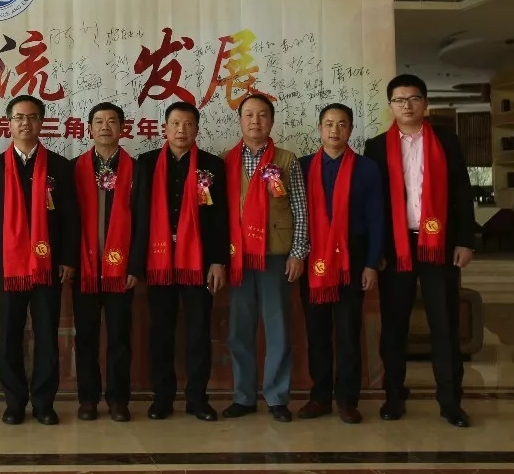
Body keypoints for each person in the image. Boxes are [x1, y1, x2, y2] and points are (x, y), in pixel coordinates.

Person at [364, 74, 475, 428]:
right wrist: (376, 251)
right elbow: (373, 205)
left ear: (425, 103)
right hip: (396, 247)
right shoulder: (375, 147)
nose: (407, 105)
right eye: (399, 100)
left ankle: (450, 402)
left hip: (439, 244)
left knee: (444, 323)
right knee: (394, 325)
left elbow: (462, 192)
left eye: (413, 98)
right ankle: (394, 395)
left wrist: (466, 240)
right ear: (390, 106)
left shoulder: (446, 141)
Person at [0, 95, 78, 426]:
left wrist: (68, 258)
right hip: (8, 267)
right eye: (19, 117)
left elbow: (70, 218)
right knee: (10, 334)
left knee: (46, 334)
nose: (25, 123)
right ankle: (14, 402)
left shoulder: (59, 166)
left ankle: (44, 403)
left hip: (49, 266)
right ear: (9, 123)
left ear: (41, 123)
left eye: (32, 117)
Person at [130, 101, 228, 421]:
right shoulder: (145, 163)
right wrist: (136, 263)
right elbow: (136, 215)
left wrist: (218, 261)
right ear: (165, 128)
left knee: (198, 333)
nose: (181, 130)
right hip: (158, 263)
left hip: (198, 263)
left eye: (188, 124)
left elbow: (220, 217)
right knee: (161, 331)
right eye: (175, 123)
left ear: (197, 128)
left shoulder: (212, 165)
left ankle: (197, 398)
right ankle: (162, 397)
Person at [222, 93, 308, 423]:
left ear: (271, 121)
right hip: (238, 259)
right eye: (249, 115)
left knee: (278, 329)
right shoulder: (225, 161)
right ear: (240, 121)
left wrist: (298, 252)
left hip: (275, 256)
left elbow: (300, 208)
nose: (255, 121)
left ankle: (276, 397)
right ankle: (243, 397)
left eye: (262, 115)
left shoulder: (286, 160)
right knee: (239, 330)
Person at [295, 104, 383, 425]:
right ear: (319, 129)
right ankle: (319, 397)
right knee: (316, 332)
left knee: (348, 333)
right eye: (329, 124)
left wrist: (371, 263)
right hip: (313, 255)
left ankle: (347, 400)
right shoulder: (303, 166)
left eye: (342, 124)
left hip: (351, 255)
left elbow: (376, 218)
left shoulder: (367, 168)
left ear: (350, 130)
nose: (335, 130)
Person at [70, 102, 138, 422]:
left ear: (122, 128)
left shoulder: (136, 169)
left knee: (119, 337)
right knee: (85, 336)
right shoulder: (74, 168)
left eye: (112, 121)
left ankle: (118, 400)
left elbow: (144, 221)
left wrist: (135, 266)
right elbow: (64, 222)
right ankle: (88, 399)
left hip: (120, 271)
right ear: (89, 129)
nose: (105, 127)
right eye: (98, 121)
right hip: (84, 269)